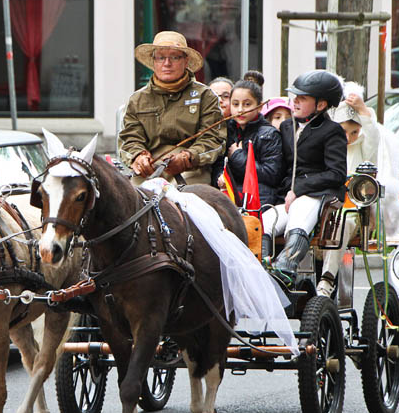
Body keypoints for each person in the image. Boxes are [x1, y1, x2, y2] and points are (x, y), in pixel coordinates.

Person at [317, 82, 399, 296]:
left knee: (342, 221)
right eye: (342, 131)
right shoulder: (327, 147)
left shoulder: (364, 147)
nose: (348, 138)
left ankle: (327, 278)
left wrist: (362, 110)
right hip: (323, 208)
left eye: (354, 132)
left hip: (353, 213)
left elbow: (372, 134)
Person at [260, 70, 347, 285]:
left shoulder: (332, 131)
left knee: (300, 209)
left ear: (320, 105)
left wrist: (298, 189)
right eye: (294, 96)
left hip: (319, 197)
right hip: (288, 199)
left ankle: (286, 268)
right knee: (266, 219)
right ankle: (261, 266)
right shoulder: (287, 126)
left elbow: (336, 174)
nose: (295, 101)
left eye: (303, 98)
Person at [119, 31, 225, 185]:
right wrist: (138, 157)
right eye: (161, 57)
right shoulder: (137, 100)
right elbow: (129, 139)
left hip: (192, 172)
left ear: (186, 60)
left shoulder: (205, 96)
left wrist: (188, 157)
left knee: (192, 204)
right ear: (153, 61)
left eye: (174, 57)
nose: (167, 63)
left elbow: (214, 139)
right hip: (148, 172)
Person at [218, 78, 283, 208]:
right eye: (235, 104)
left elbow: (271, 174)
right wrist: (220, 176)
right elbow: (219, 163)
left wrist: (238, 156)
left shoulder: (268, 135)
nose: (240, 110)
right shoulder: (226, 130)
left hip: (259, 198)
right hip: (230, 195)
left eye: (247, 104)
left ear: (259, 107)